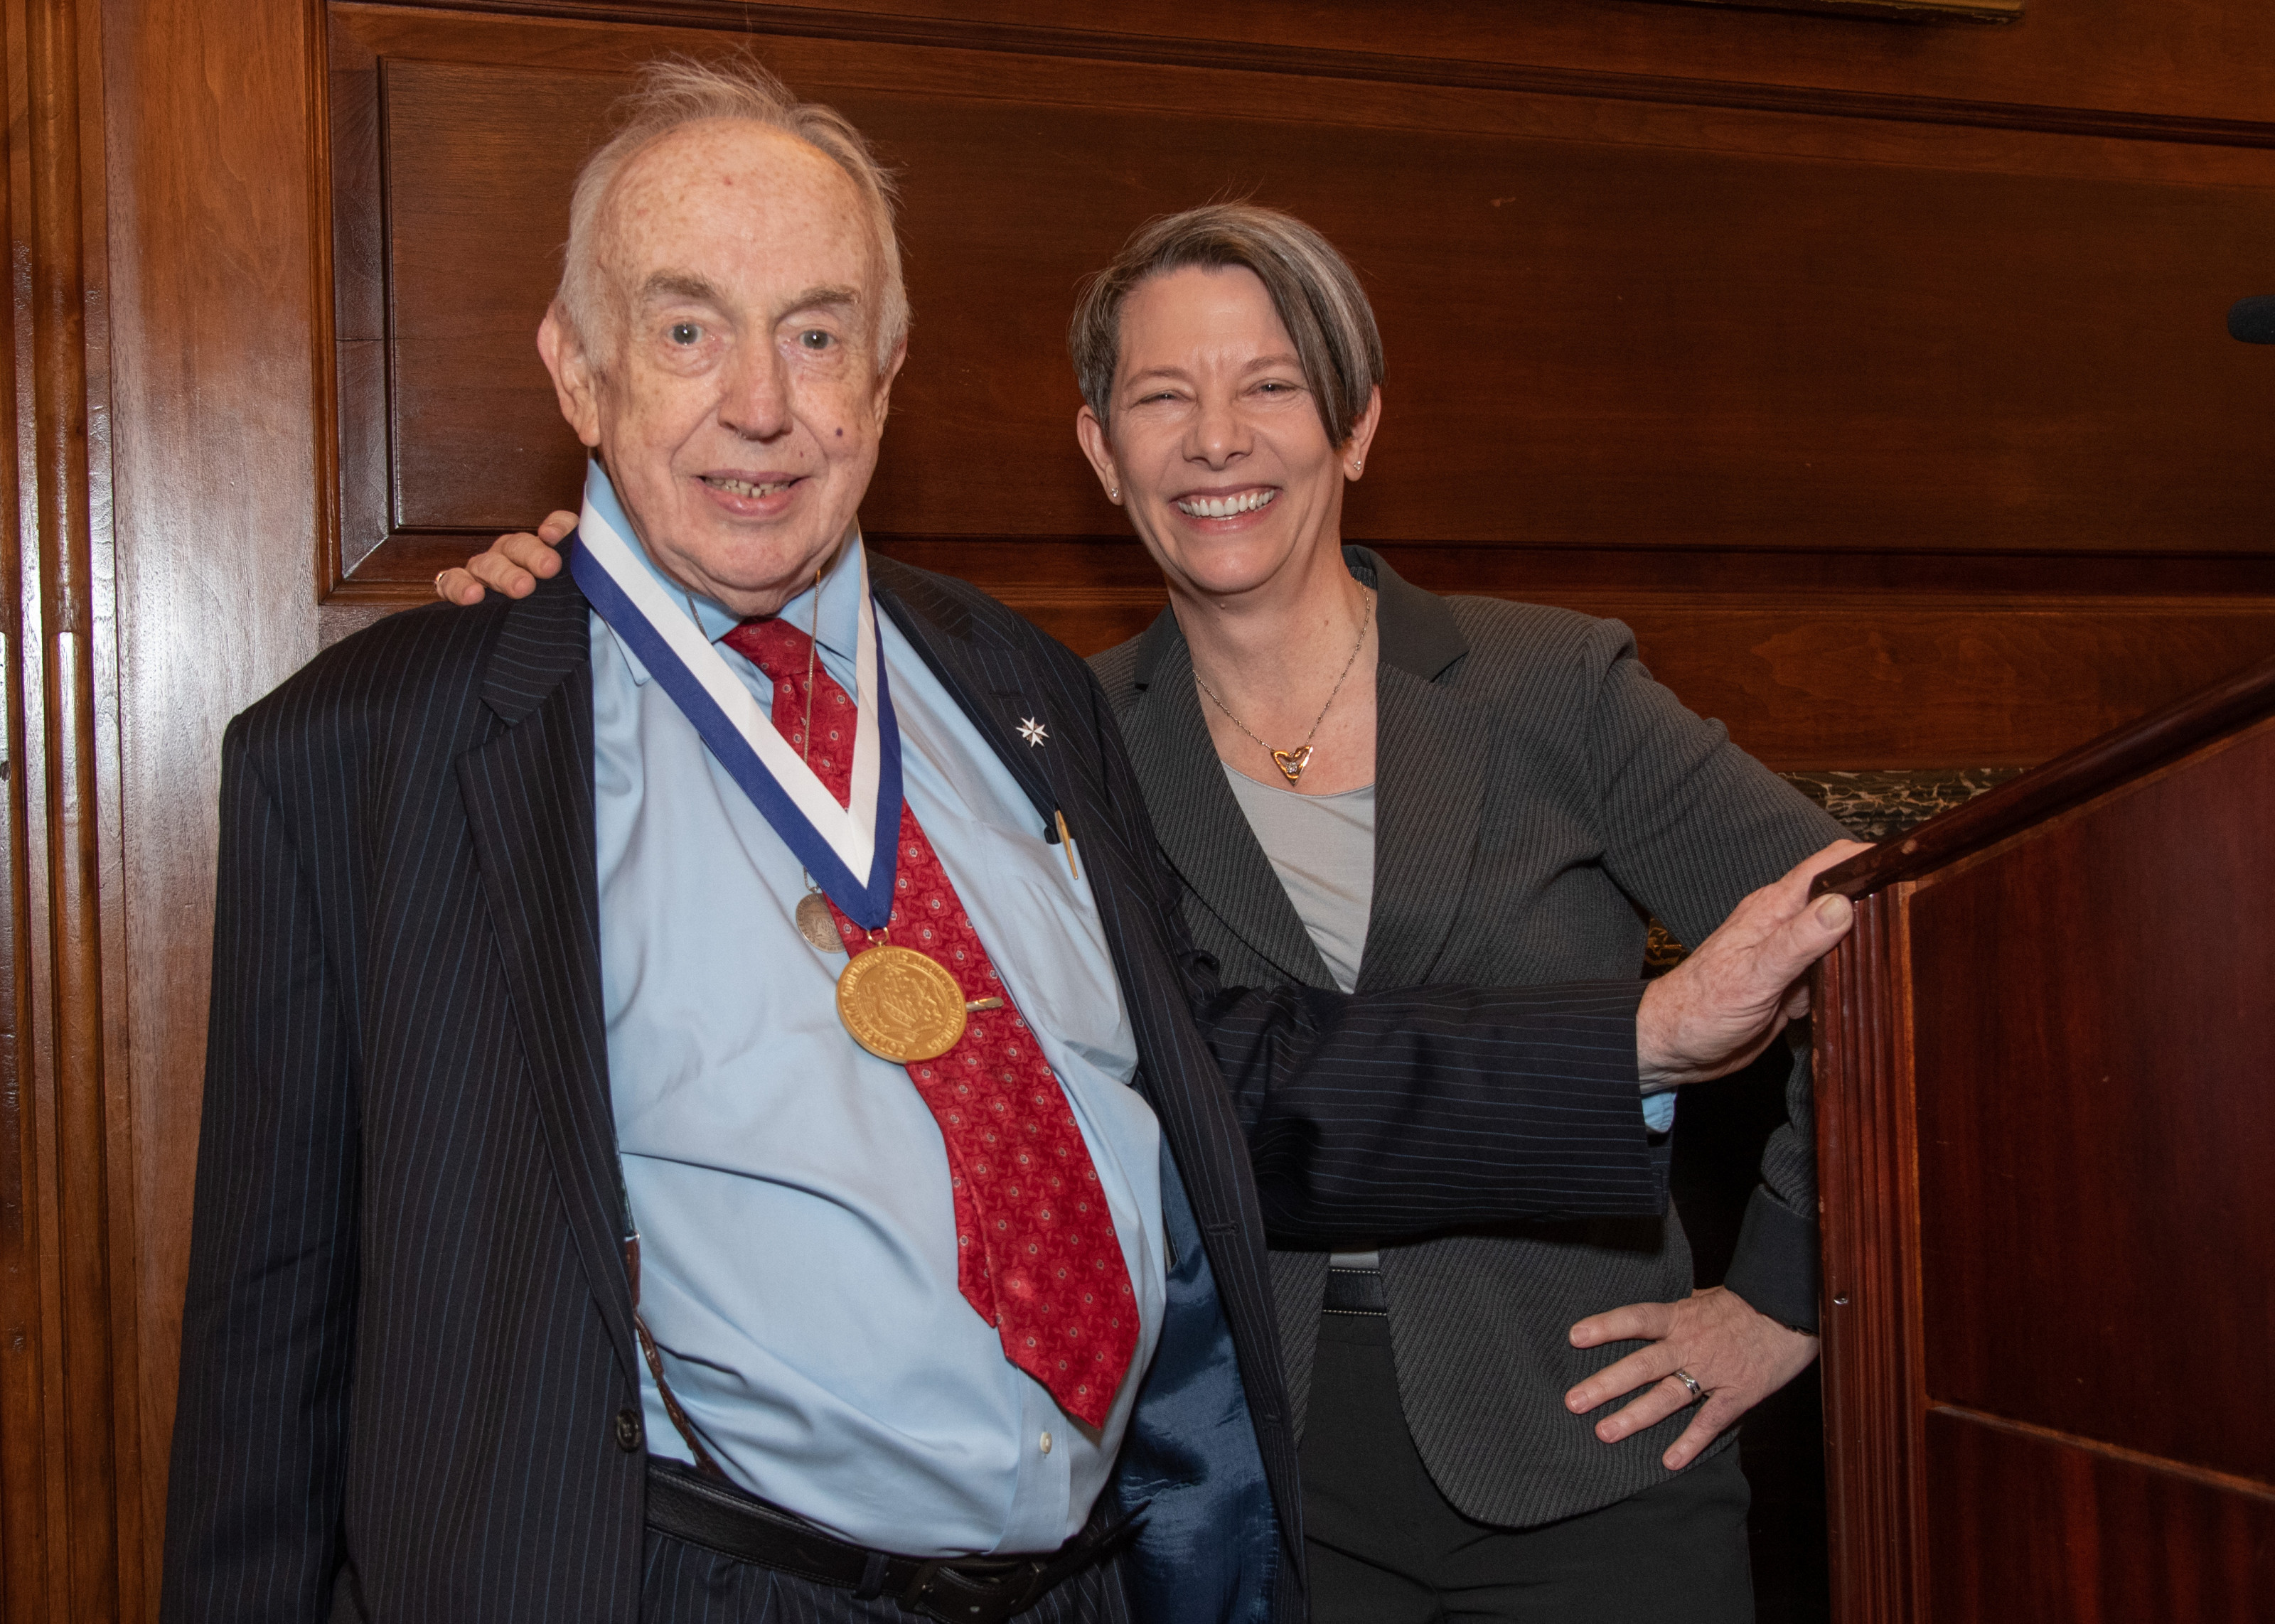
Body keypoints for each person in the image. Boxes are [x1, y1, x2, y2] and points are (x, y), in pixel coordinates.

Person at [167, 60, 1856, 1624]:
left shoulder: (1010, 690)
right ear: (574, 363)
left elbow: (1229, 1072)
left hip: (1096, 1578)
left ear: (885, 380)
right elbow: (272, 1335)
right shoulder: (381, 755)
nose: (761, 403)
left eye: (819, 335)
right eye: (687, 332)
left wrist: (1642, 1046)